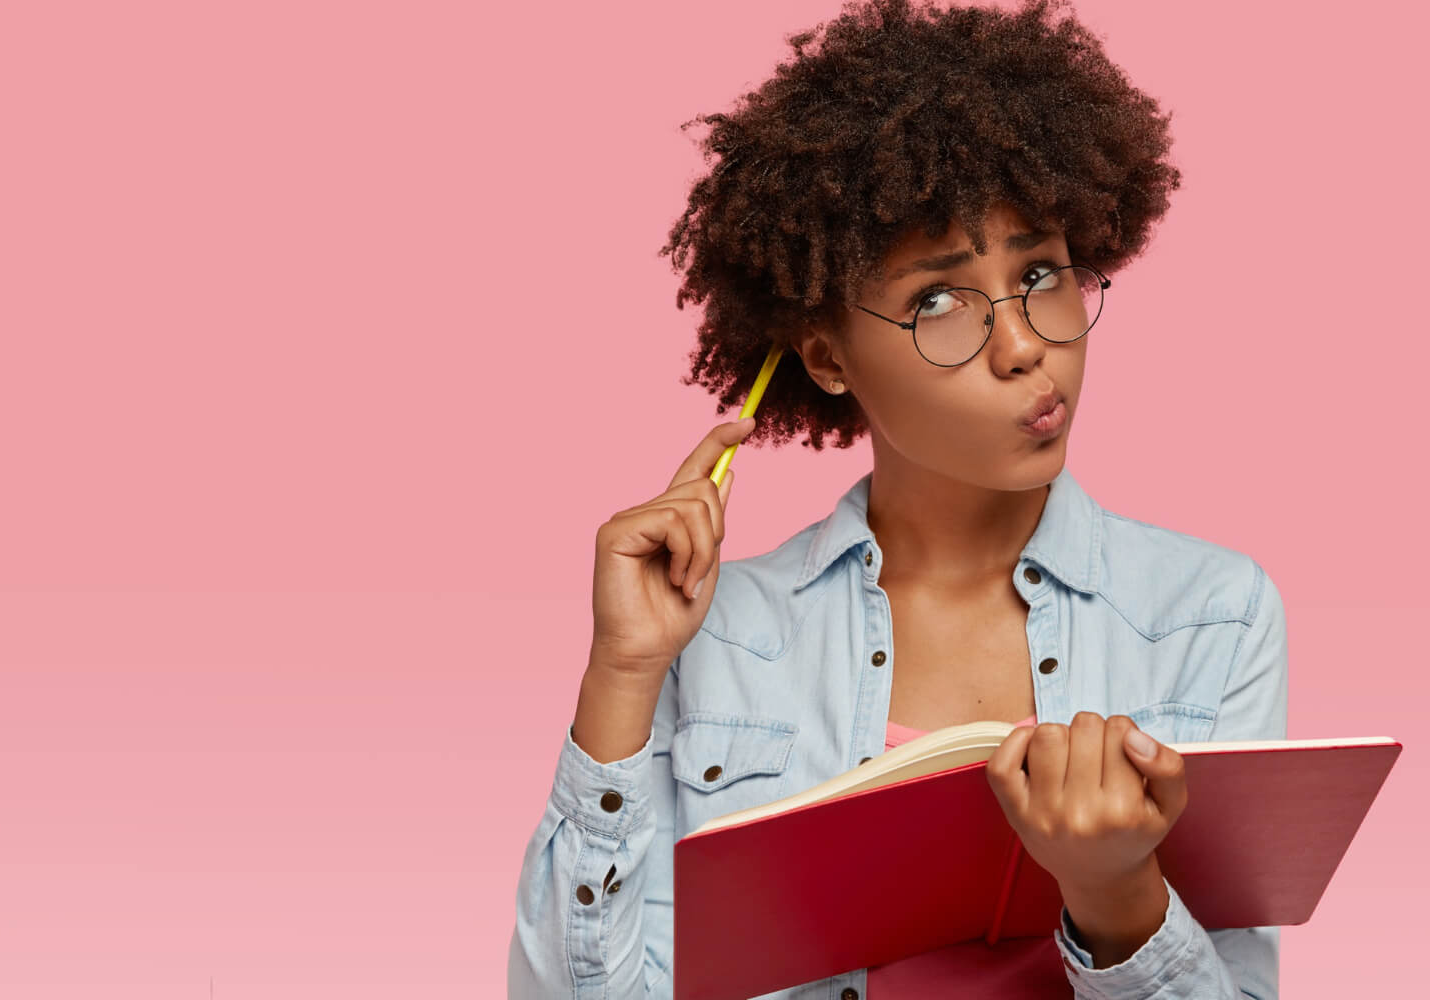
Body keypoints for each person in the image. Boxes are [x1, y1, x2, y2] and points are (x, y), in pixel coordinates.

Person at [507, 0, 1287, 996]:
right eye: (939, 301)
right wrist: (621, 673)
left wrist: (1119, 896)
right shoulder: (715, 637)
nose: (1022, 345)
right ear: (826, 354)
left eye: (1041, 272)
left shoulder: (1211, 617)